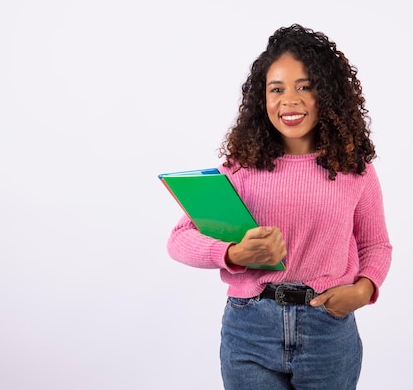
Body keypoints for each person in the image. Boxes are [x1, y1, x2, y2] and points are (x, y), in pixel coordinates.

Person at [167, 24, 392, 390]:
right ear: (263, 100)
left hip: (328, 330)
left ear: (328, 95)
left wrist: (364, 290)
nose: (289, 100)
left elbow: (375, 245)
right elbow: (179, 239)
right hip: (250, 330)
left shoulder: (355, 170)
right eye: (277, 89)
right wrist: (235, 253)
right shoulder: (240, 168)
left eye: (305, 86)